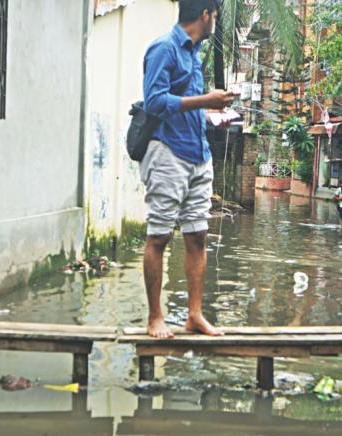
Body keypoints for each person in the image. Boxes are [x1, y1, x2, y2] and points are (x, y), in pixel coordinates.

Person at [140, 0, 237, 338]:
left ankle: (194, 315)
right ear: (205, 15)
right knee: (160, 236)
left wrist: (212, 116)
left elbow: (186, 106)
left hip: (199, 154)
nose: (215, 22)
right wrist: (206, 101)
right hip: (167, 154)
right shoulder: (164, 49)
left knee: (197, 236)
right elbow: (154, 101)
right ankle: (155, 317)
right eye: (215, 16)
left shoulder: (194, 55)